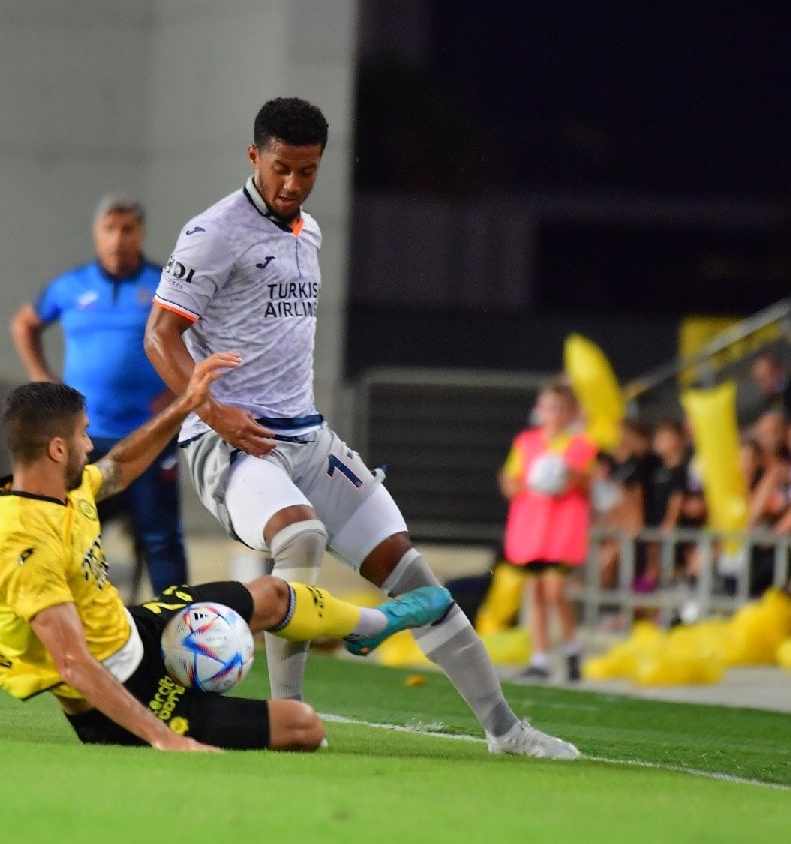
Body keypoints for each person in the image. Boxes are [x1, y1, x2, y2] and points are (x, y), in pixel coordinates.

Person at [144, 97, 579, 759]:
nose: (293, 183)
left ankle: (506, 731)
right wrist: (214, 412)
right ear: (254, 156)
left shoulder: (309, 233)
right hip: (233, 441)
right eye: (281, 168)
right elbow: (159, 335)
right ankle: (288, 719)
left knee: (420, 583)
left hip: (308, 440)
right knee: (301, 536)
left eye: (308, 170)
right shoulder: (214, 232)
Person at [0, 352, 453, 752]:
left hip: (135, 631)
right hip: (120, 692)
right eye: (83, 434)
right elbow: (73, 664)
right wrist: (165, 738)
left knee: (274, 594)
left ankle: (373, 626)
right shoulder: (23, 543)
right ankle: (194, 709)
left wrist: (187, 405)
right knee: (304, 727)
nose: (89, 443)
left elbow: (118, 468)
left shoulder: (64, 486)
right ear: (57, 450)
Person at [10, 196, 185, 601]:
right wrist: (40, 377)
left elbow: (203, 332)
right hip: (84, 439)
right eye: (110, 229)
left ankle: (179, 622)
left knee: (160, 537)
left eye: (127, 229)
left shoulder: (164, 285)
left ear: (141, 233)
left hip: (147, 438)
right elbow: (25, 323)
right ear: (96, 233)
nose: (118, 239)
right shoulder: (71, 286)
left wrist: (177, 389)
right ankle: (63, 612)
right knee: (70, 530)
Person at [499, 382, 597, 682]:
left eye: (560, 408)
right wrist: (526, 484)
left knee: (556, 590)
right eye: (549, 407)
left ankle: (571, 648)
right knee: (537, 592)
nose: (553, 414)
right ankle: (539, 658)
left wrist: (569, 477)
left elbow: (588, 485)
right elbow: (510, 480)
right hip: (532, 529)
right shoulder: (526, 442)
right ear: (539, 410)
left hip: (562, 531)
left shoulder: (581, 445)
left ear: (571, 413)